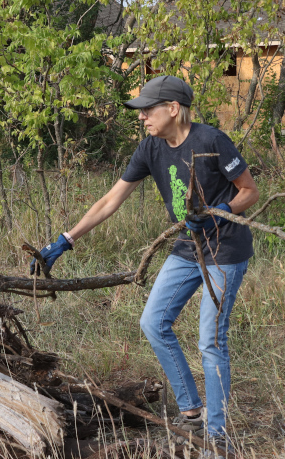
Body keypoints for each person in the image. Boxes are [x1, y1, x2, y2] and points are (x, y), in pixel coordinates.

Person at [30, 75, 259, 453]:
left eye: (148, 110)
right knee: (153, 322)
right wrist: (66, 240)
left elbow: (249, 191)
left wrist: (219, 212)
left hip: (226, 250)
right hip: (187, 248)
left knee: (210, 340)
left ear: (173, 108)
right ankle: (192, 413)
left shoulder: (211, 141)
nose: (142, 117)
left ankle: (217, 437)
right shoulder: (151, 148)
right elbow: (110, 200)